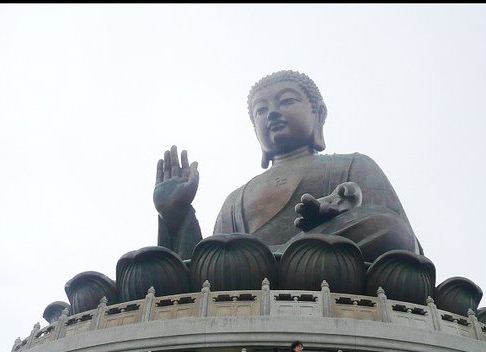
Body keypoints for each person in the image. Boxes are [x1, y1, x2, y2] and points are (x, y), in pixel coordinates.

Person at [153, 70, 423, 263]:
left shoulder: (352, 164)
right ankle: (280, 258)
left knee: (386, 225)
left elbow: (403, 242)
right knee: (218, 256)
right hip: (253, 270)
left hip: (321, 264)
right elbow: (204, 263)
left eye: (286, 101)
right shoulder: (235, 200)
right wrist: (176, 215)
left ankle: (277, 258)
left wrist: (339, 217)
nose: (271, 113)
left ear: (318, 113)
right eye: (260, 110)